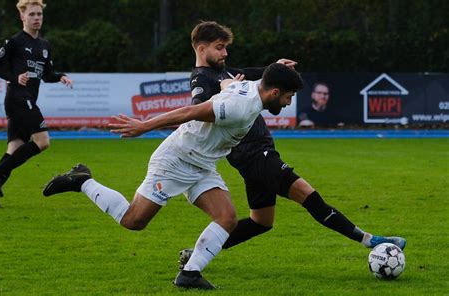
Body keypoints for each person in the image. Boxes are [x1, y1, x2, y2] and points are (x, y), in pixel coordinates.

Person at [42, 63, 304, 290]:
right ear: (274, 92)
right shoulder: (239, 107)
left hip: (202, 164)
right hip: (177, 159)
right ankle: (82, 181)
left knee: (227, 218)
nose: (287, 103)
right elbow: (189, 112)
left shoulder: (250, 89)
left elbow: (226, 83)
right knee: (134, 221)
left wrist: (229, 86)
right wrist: (144, 125)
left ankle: (189, 275)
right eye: (288, 97)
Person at [178, 21, 406, 269]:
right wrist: (223, 95)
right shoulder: (202, 78)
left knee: (261, 222)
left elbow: (254, 74)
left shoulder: (225, 72)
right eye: (220, 48)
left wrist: (274, 67)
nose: (225, 53)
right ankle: (370, 240)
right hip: (254, 154)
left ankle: (195, 255)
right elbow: (198, 108)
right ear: (201, 49)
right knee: (310, 197)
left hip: (253, 156)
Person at [0, 0, 73, 208]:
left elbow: (46, 74)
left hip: (26, 100)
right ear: (22, 17)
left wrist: (60, 77)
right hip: (18, 100)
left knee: (15, 149)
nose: (36, 18)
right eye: (32, 14)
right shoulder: (15, 42)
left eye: (39, 14)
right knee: (43, 141)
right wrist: (13, 77)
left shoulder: (44, 46)